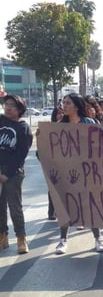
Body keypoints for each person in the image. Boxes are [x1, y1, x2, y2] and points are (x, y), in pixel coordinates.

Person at [55, 93, 103, 254]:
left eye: (68, 103)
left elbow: (100, 145)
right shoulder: (59, 125)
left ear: (76, 106)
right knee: (64, 205)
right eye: (63, 103)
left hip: (87, 172)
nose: (64, 105)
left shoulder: (89, 122)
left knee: (90, 204)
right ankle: (62, 240)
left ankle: (98, 239)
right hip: (66, 172)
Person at [0, 94, 33, 254]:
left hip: (13, 173)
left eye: (12, 105)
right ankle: (2, 237)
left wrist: (7, 173)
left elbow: (21, 154)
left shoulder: (23, 128)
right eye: (6, 104)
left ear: (19, 109)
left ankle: (21, 238)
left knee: (15, 207)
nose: (8, 107)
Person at [47, 106, 64, 220]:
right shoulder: (49, 128)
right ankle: (52, 211)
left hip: (65, 163)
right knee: (53, 187)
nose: (61, 115)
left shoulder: (68, 126)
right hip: (53, 163)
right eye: (58, 113)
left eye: (63, 113)